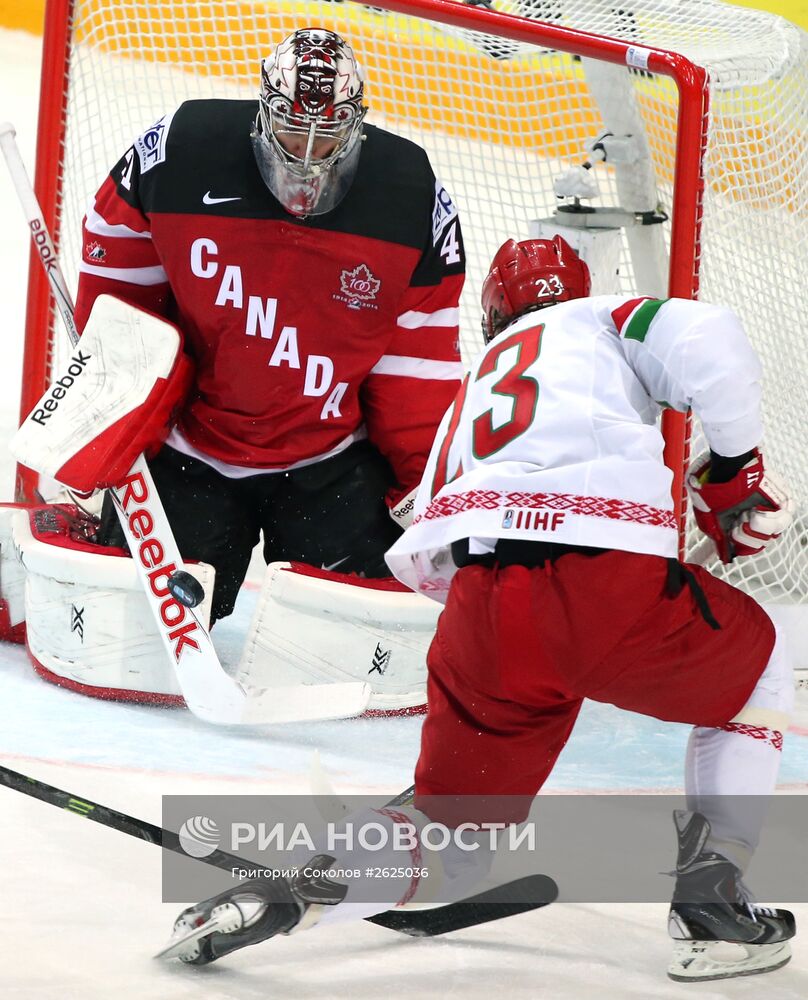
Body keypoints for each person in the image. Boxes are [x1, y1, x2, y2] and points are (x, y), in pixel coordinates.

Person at [162, 237, 796, 982]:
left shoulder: (470, 396)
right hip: (600, 584)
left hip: (480, 608)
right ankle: (713, 898)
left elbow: (425, 553)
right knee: (759, 669)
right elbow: (709, 336)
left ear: (494, 312)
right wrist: (734, 467)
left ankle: (280, 899)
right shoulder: (601, 317)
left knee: (451, 840)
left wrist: (517, 633)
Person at [73, 26, 466, 624]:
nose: (307, 151)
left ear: (356, 121)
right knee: (137, 628)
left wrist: (422, 485)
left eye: (328, 131)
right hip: (192, 445)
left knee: (348, 639)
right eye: (291, 127)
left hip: (330, 457)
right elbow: (117, 265)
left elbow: (414, 368)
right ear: (263, 110)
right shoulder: (179, 151)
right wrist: (110, 402)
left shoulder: (414, 200)